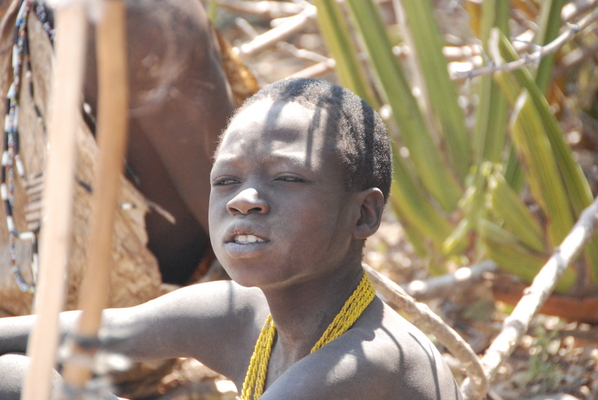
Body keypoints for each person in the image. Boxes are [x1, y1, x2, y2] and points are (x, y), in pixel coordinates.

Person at [0, 78, 463, 399]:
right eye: (226, 181)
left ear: (363, 214)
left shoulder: (366, 363)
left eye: (287, 178)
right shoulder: (241, 316)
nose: (244, 201)